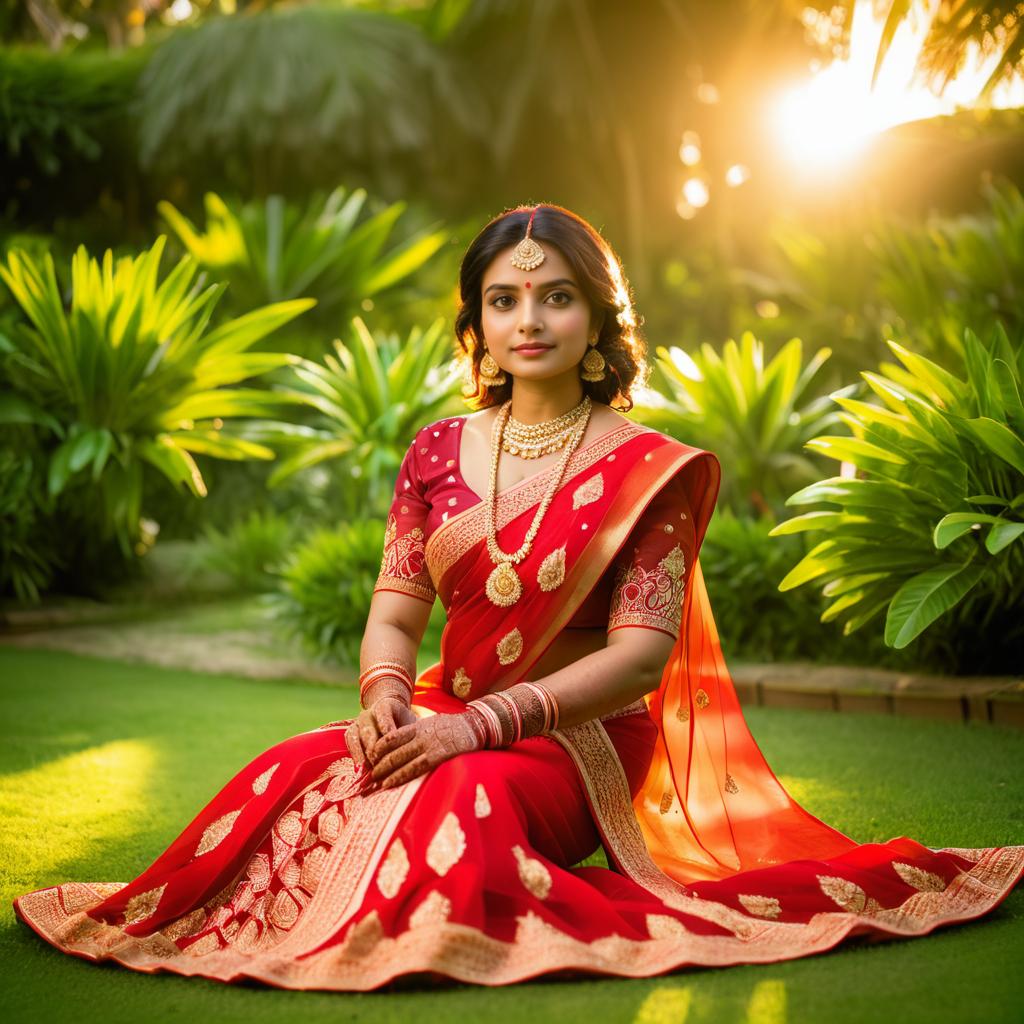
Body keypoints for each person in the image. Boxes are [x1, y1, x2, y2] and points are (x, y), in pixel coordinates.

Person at [14, 204, 1023, 990]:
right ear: (475, 323)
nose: (528, 320)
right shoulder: (437, 451)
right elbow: (399, 606)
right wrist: (384, 696)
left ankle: (399, 929)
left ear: (594, 316)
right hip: (443, 705)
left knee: (462, 796)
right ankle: (318, 914)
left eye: (554, 298)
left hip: (575, 738)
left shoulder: (649, 470)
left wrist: (477, 728)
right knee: (295, 773)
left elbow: (639, 655)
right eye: (503, 299)